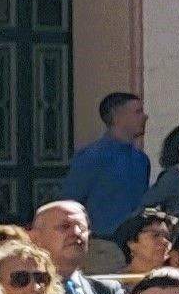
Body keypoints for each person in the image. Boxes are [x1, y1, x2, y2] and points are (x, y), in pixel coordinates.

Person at [55, 93, 153, 224]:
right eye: (138, 112)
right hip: (102, 239)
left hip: (134, 237)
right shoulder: (92, 157)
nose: (144, 117)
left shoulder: (141, 159)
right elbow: (70, 200)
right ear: (118, 117)